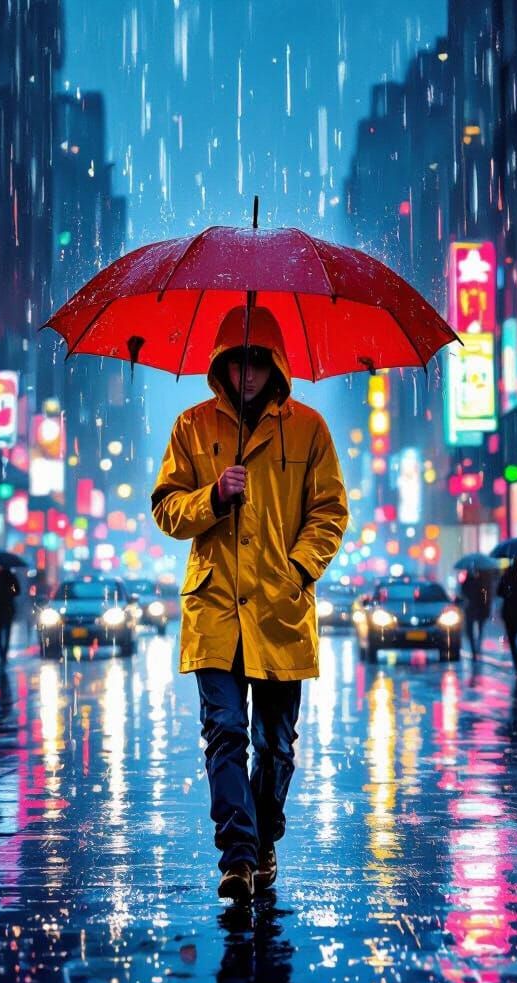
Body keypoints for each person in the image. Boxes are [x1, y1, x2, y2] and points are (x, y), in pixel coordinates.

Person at [151, 305, 348, 903]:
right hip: (215, 609)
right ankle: (237, 855)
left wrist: (297, 568)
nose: (247, 375)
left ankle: (263, 839)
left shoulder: (309, 429)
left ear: (274, 366)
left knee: (274, 745)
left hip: (280, 609)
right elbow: (166, 509)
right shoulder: (192, 427)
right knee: (225, 735)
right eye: (237, 363)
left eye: (257, 363)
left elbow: (330, 513)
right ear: (221, 366)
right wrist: (212, 495)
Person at [459, 569, 492, 659]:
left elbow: (463, 594)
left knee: (471, 631)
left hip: (472, 609)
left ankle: (475, 649)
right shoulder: (481, 583)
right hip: (478, 609)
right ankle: (476, 647)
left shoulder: (467, 583)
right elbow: (485, 597)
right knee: (477, 629)